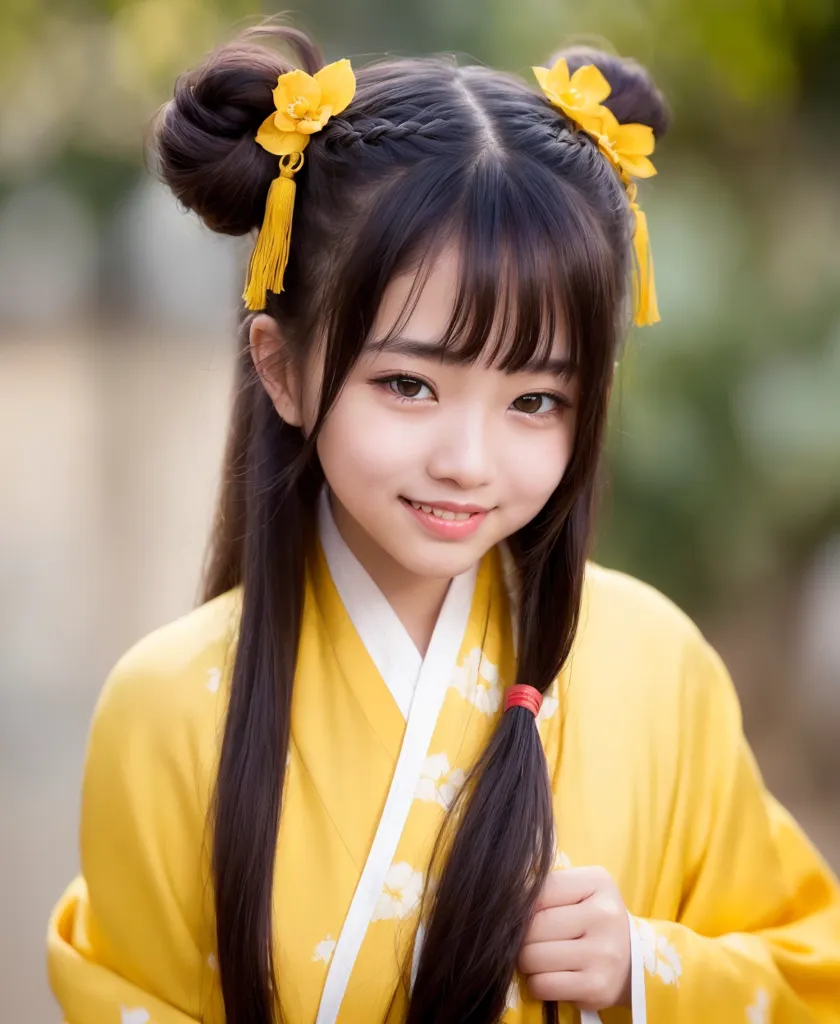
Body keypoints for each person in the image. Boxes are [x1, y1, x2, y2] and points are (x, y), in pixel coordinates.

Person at [46, 22, 840, 1024]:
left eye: (536, 400)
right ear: (283, 367)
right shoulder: (165, 707)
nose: (467, 457)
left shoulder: (658, 665)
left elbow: (812, 974)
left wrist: (644, 970)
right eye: (410, 383)